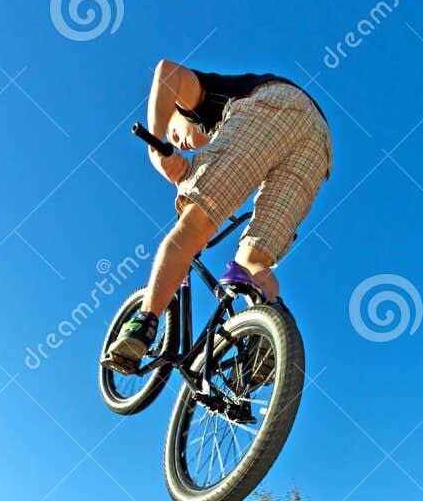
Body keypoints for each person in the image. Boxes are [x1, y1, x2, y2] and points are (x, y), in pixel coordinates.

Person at [105, 61, 332, 372]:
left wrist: (157, 145)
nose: (180, 143)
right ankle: (271, 334)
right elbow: (234, 156)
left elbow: (166, 71)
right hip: (318, 141)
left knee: (194, 226)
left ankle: (143, 323)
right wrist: (186, 172)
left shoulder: (200, 103)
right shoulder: (225, 131)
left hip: (272, 103)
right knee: (254, 261)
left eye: (175, 132)